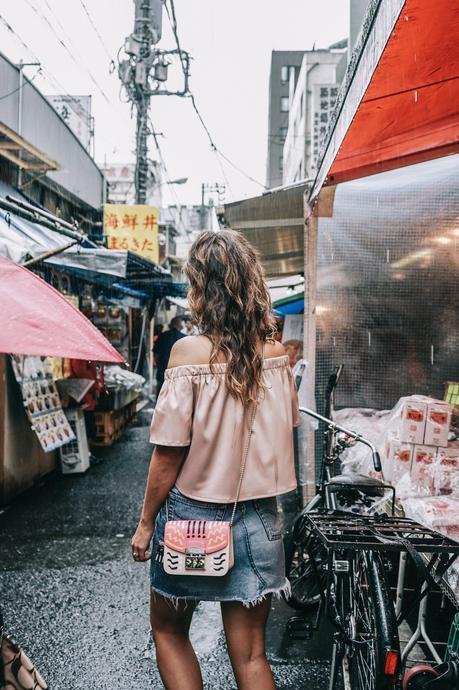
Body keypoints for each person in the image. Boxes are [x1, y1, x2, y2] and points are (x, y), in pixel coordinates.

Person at [132, 230, 299, 690]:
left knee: (169, 630)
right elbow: (284, 429)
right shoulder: (277, 357)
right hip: (260, 519)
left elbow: (167, 456)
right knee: (250, 656)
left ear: (201, 287)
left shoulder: (187, 354)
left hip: (191, 519)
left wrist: (147, 523)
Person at [153, 316, 185, 394]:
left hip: (163, 369)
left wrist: (158, 365)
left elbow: (156, 354)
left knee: (162, 391)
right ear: (179, 325)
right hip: (178, 371)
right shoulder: (184, 337)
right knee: (176, 393)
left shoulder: (162, 336)